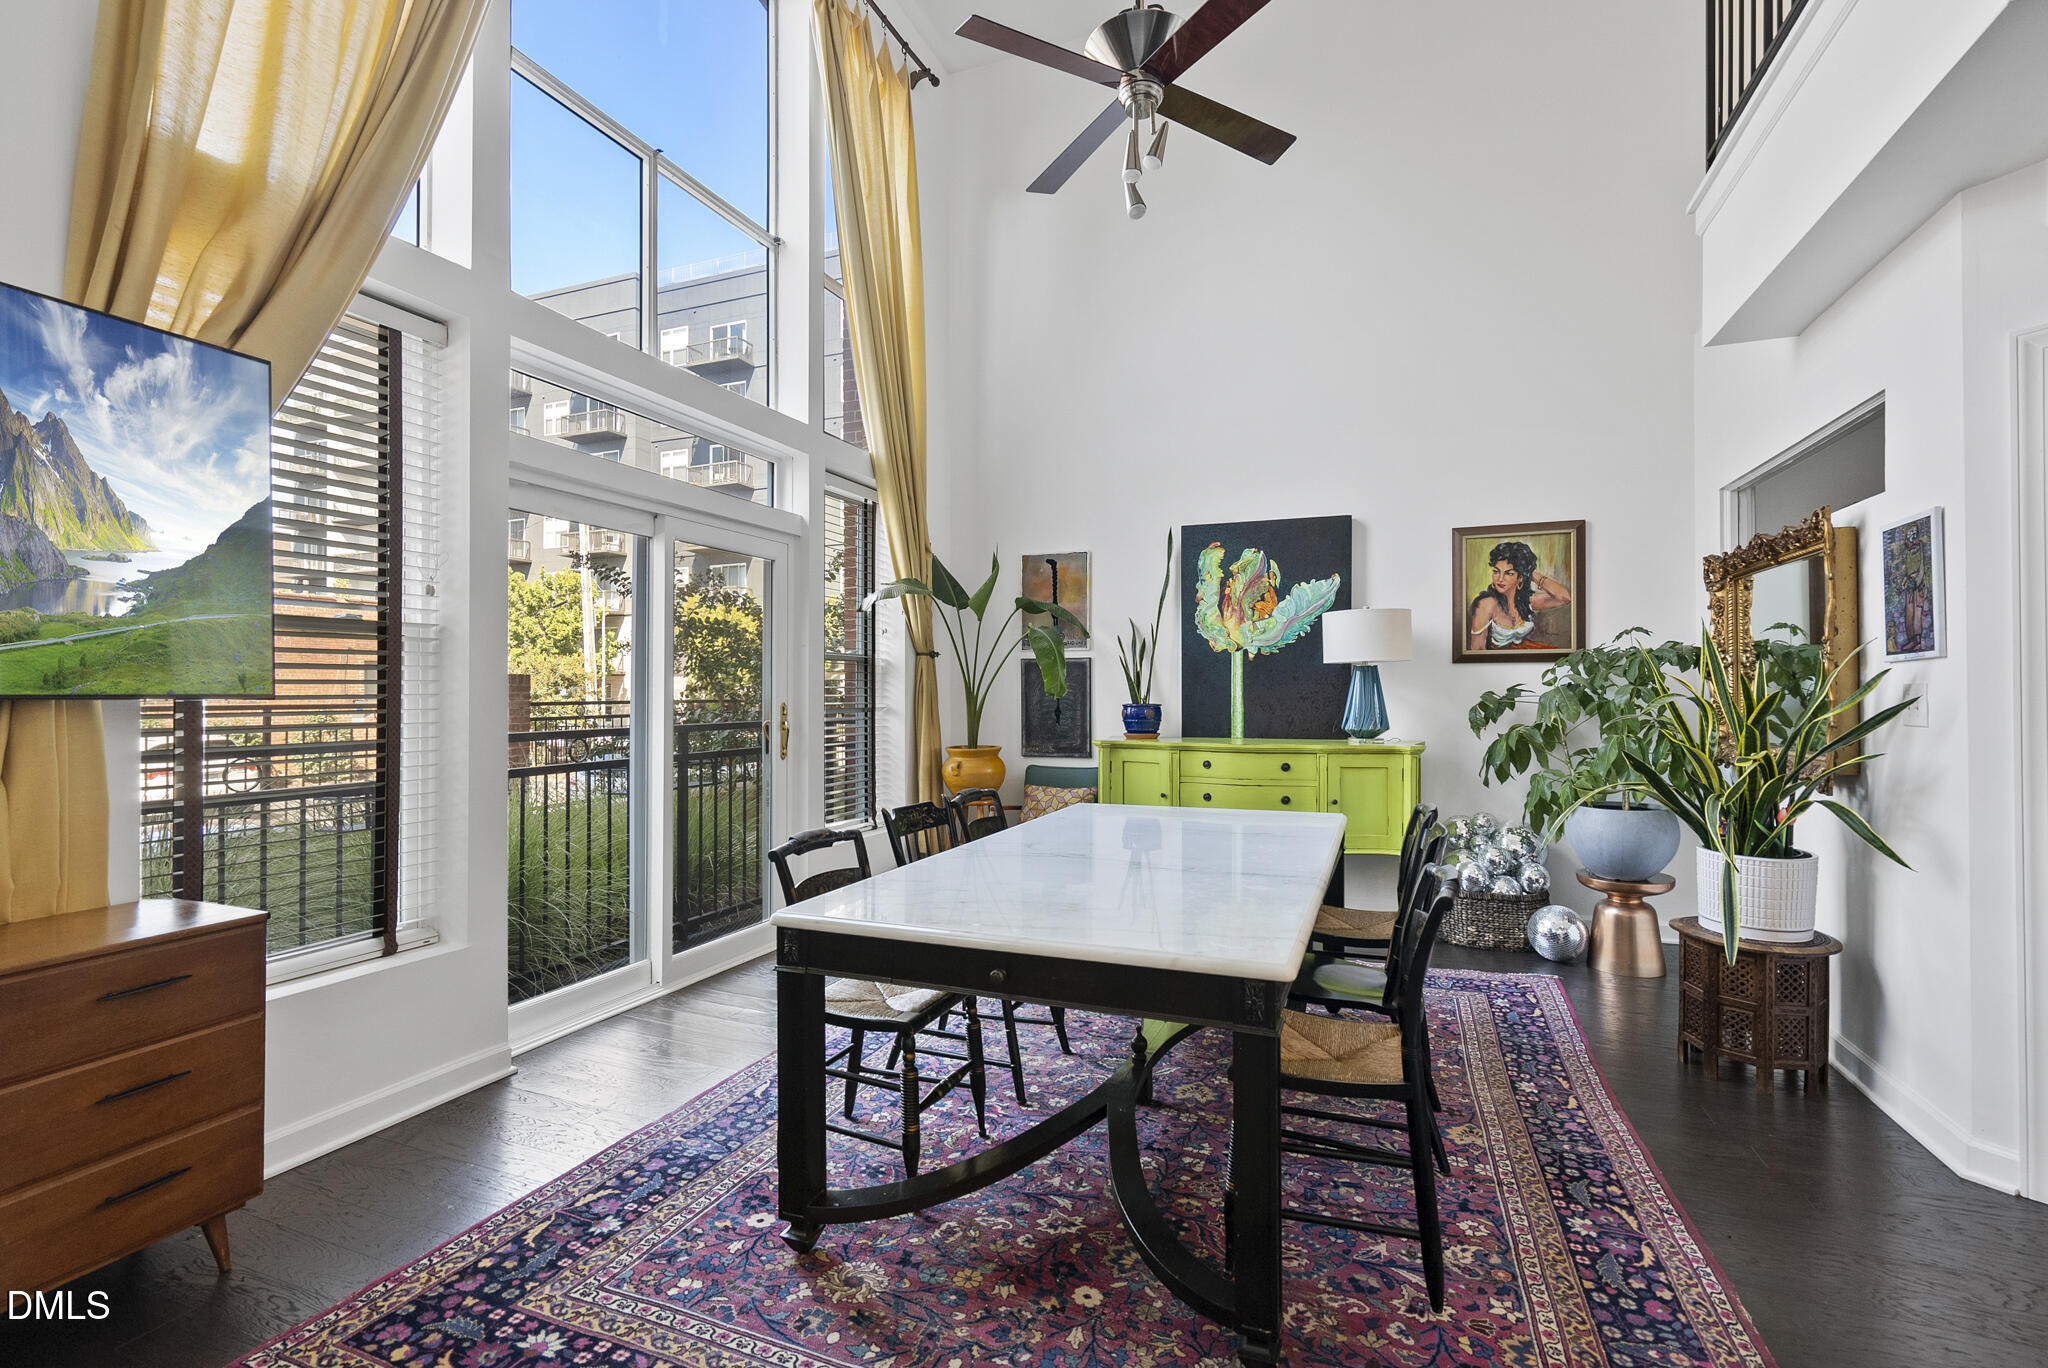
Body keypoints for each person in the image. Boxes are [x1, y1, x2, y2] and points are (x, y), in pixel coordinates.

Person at [1467, 540, 1572, 651]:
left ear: (1520, 577)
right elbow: (1478, 649)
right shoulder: (1487, 603)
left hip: (1523, 654)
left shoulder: (1526, 600)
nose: (1500, 579)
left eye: (1509, 573)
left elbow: (1565, 598)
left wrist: (1530, 573)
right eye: (1496, 571)